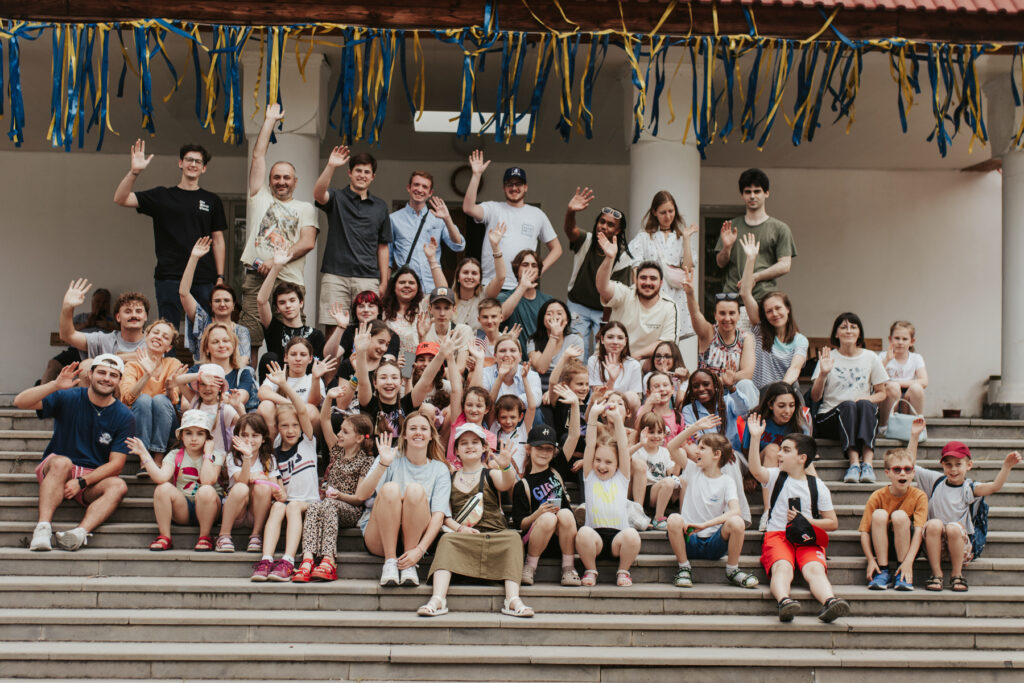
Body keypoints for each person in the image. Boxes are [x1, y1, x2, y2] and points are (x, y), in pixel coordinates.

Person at [18, 356, 133, 552]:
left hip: (89, 479)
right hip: (57, 469)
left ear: (119, 380)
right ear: (91, 374)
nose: (107, 378)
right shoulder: (69, 397)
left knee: (119, 485)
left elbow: (116, 465)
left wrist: (82, 482)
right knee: (62, 463)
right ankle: (43, 529)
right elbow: (21, 402)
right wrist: (54, 385)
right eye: (102, 372)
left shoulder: (124, 415)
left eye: (113, 375)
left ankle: (79, 533)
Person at [418, 426, 533, 618]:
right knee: (447, 541)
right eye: (464, 443)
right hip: (464, 535)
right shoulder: (450, 476)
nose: (469, 446)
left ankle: (513, 599)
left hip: (495, 534)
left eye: (474, 442)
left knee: (513, 540)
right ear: (456, 450)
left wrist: (505, 466)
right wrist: (460, 529)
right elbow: (445, 514)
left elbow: (506, 483)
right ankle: (438, 598)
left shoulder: (490, 473)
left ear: (484, 448)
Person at [113, 140, 226, 328]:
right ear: (180, 163)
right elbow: (120, 198)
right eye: (189, 160)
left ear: (204, 168)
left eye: (198, 161)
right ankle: (168, 359)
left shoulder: (211, 200)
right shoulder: (162, 196)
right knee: (167, 329)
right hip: (169, 275)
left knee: (205, 330)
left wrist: (220, 277)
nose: (193, 164)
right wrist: (135, 172)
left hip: (204, 276)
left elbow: (218, 241)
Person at [747, 419, 850, 623]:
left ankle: (830, 601)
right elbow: (756, 470)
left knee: (815, 569)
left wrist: (807, 520)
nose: (779, 454)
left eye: (786, 450)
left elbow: (832, 523)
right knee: (782, 566)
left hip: (807, 537)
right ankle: (784, 601)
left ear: (802, 458)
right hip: (778, 535)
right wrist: (755, 438)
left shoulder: (817, 485)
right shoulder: (776, 476)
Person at [240, 104, 320, 365]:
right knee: (250, 340)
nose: (281, 181)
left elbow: (308, 242)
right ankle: (249, 390)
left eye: (287, 177)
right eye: (276, 177)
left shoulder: (304, 208)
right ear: (270, 180)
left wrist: (275, 262)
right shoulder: (259, 198)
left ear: (295, 181)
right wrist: (269, 121)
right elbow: (258, 157)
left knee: (296, 343)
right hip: (255, 277)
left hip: (290, 281)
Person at [909, 420, 1021, 592]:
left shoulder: (969, 488)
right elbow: (909, 465)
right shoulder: (935, 481)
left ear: (969, 465)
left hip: (962, 548)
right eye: (948, 464)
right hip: (934, 545)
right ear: (942, 465)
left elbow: (994, 487)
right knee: (933, 524)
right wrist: (914, 436)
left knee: (953, 528)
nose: (953, 469)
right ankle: (936, 574)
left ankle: (957, 575)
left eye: (958, 464)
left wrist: (1006, 466)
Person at [356, 413, 451, 587]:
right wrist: (383, 464)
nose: (418, 433)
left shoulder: (440, 469)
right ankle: (390, 562)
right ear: (404, 435)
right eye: (413, 428)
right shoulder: (390, 457)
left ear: (431, 435)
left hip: (417, 540)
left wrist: (419, 550)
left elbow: (438, 517)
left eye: (424, 429)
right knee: (391, 489)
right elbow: (361, 495)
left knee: (415, 491)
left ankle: (409, 566)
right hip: (380, 538)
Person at [250, 364, 322, 581]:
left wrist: (283, 385)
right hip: (290, 501)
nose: (291, 430)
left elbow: (302, 410)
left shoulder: (308, 442)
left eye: (294, 426)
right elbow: (277, 484)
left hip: (310, 502)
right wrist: (278, 492)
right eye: (285, 426)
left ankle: (288, 561)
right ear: (278, 429)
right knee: (279, 506)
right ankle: (266, 559)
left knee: (291, 508)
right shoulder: (273, 455)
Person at [666, 432, 758, 589]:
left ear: (716, 454)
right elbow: (671, 446)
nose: (697, 451)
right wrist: (697, 426)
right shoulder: (692, 469)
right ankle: (684, 568)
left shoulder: (727, 481)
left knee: (737, 522)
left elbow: (736, 511)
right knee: (674, 519)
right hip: (690, 539)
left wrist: (705, 525)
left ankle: (732, 570)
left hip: (715, 544)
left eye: (702, 448)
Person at [315, 146, 391, 335]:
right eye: (358, 170)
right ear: (350, 173)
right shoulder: (337, 197)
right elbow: (318, 194)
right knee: (334, 330)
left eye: (367, 172)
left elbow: (383, 247)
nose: (362, 175)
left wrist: (383, 281)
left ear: (373, 176)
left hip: (367, 277)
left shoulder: (380, 207)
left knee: (369, 331)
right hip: (335, 275)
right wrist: (331, 165)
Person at [293, 411, 375, 582]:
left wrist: (340, 496)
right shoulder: (337, 452)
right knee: (314, 506)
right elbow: (324, 420)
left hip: (350, 509)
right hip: (328, 504)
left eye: (345, 432)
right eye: (340, 430)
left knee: (329, 504)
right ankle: (308, 558)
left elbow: (359, 498)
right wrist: (329, 397)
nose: (339, 434)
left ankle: (329, 559)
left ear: (359, 438)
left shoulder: (366, 460)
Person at [462, 150, 562, 291]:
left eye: (518, 184)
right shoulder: (493, 208)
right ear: (504, 188)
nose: (514, 188)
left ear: (525, 187)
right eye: (510, 184)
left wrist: (538, 272)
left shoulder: (537, 214)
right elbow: (468, 208)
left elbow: (557, 249)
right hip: (491, 284)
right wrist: (476, 175)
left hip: (522, 286)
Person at [128, 409, 224, 552]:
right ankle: (165, 537)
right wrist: (144, 454)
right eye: (189, 433)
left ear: (207, 437)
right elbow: (160, 477)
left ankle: (205, 536)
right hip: (183, 509)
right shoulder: (174, 455)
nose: (194, 438)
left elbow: (207, 480)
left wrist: (208, 454)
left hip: (209, 509)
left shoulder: (215, 455)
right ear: (181, 436)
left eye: (200, 433)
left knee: (206, 490)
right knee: (162, 488)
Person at [811, 313, 889, 484]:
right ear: (836, 334)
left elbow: (882, 393)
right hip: (830, 418)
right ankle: (854, 464)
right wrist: (823, 374)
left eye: (853, 327)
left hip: (860, 415)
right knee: (847, 406)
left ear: (859, 333)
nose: (849, 331)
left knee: (865, 404)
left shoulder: (870, 357)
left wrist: (866, 398)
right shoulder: (828, 357)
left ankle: (867, 464)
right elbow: (815, 397)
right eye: (843, 327)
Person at [715, 168, 797, 332]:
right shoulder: (732, 226)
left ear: (766, 193)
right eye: (747, 192)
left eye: (757, 191)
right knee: (732, 354)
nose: (752, 196)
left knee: (763, 352)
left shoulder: (780, 228)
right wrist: (727, 247)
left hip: (764, 301)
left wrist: (755, 277)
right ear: (742, 195)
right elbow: (720, 263)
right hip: (732, 302)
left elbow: (785, 265)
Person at [576, 401, 642, 587]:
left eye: (608, 462)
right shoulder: (590, 476)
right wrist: (593, 416)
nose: (602, 466)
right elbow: (589, 445)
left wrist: (618, 420)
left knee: (633, 535)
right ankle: (590, 569)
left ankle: (623, 571)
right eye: (598, 460)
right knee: (582, 533)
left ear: (617, 464)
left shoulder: (622, 477)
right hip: (594, 539)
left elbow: (622, 447)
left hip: (617, 541)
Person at [563, 187, 632, 357]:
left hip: (603, 312)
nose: (604, 226)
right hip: (577, 305)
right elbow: (569, 230)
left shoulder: (623, 257)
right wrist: (570, 211)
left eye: (610, 225)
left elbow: (612, 295)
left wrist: (605, 324)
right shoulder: (586, 240)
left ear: (617, 231)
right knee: (576, 353)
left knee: (600, 353)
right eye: (602, 221)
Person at [512, 420, 582, 587]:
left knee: (565, 513)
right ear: (528, 449)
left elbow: (574, 436)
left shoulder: (557, 469)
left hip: (562, 539)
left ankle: (568, 567)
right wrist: (538, 513)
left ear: (554, 452)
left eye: (548, 449)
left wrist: (574, 404)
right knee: (548, 518)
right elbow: (520, 524)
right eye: (539, 448)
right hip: (537, 538)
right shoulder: (523, 485)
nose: (544, 453)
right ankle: (530, 566)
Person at [737, 234, 807, 390]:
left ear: (787, 309)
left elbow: (795, 368)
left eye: (778, 308)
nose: (774, 314)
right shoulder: (760, 330)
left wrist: (779, 390)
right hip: (759, 395)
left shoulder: (800, 340)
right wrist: (751, 259)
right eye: (769, 311)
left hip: (784, 394)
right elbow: (745, 293)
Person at [629, 191, 699, 343]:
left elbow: (688, 268)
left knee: (670, 347)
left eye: (671, 211)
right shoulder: (644, 237)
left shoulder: (680, 237)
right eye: (663, 212)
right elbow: (635, 267)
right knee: (648, 343)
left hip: (675, 298)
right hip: (650, 297)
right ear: (654, 212)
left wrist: (686, 239)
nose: (668, 216)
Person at [743, 382, 814, 531]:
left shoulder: (799, 422)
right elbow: (746, 451)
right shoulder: (757, 419)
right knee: (773, 449)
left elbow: (806, 458)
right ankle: (768, 512)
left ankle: (816, 503)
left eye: (791, 405)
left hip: (790, 467)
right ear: (770, 404)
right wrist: (749, 475)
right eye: (781, 406)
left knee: (803, 457)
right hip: (763, 466)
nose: (787, 411)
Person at [595, 234, 677, 362]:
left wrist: (633, 357)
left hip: (643, 365)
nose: (647, 283)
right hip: (609, 360)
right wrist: (609, 258)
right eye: (643, 278)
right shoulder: (625, 294)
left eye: (653, 279)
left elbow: (666, 343)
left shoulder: (669, 306)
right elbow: (602, 287)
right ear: (636, 280)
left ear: (661, 283)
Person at [859, 448, 927, 591]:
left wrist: (909, 561)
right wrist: (871, 560)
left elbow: (919, 530)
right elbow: (864, 531)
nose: (903, 473)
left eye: (907, 469)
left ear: (913, 473)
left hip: (907, 548)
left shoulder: (919, 496)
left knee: (899, 516)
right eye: (897, 469)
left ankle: (902, 572)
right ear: (887, 473)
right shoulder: (877, 496)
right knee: (879, 514)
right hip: (882, 546)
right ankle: (883, 570)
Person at [118, 320, 183, 468]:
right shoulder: (132, 365)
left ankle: (158, 456)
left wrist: (168, 388)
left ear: (169, 347)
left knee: (160, 399)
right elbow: (127, 399)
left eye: (165, 337)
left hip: (167, 424)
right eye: (155, 332)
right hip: (138, 422)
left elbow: (173, 400)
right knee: (143, 399)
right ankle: (144, 455)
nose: (159, 337)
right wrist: (147, 375)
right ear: (146, 336)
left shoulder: (173, 363)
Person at [256, 246, 327, 381]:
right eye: (282, 303)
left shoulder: (316, 334)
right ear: (277, 308)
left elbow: (320, 369)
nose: (288, 305)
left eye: (292, 300)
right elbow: (261, 301)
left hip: (306, 389)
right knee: (269, 357)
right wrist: (277, 267)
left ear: (301, 303)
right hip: (277, 386)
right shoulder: (274, 328)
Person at [179, 236, 251, 363]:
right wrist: (194, 258)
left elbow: (244, 361)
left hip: (232, 378)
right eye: (217, 301)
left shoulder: (241, 331)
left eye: (227, 300)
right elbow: (184, 293)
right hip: (203, 376)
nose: (222, 304)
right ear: (211, 305)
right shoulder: (202, 321)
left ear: (233, 305)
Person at [218, 413, 283, 552]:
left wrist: (277, 491)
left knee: (264, 488)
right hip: (236, 514)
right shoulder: (232, 457)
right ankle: (224, 535)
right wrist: (247, 457)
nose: (249, 440)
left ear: (263, 438)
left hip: (256, 514)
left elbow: (274, 487)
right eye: (245, 435)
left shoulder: (269, 459)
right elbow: (241, 480)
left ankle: (256, 535)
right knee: (241, 487)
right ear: (237, 437)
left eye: (255, 435)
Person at [390, 171, 465, 290]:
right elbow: (388, 258)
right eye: (416, 185)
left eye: (424, 187)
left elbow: (458, 245)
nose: (419, 189)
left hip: (433, 287)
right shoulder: (393, 219)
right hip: (407, 288)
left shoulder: (438, 218)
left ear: (430, 193)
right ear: (409, 188)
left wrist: (447, 219)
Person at [683, 269, 755, 381]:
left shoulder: (745, 338)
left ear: (739, 315)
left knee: (747, 385)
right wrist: (690, 293)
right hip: (708, 391)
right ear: (715, 315)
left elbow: (747, 373)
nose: (727, 318)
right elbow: (695, 314)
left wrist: (724, 380)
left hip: (733, 390)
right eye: (722, 313)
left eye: (732, 313)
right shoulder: (708, 333)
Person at [59, 280, 149, 362]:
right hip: (107, 380)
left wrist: (108, 359)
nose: (134, 315)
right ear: (118, 317)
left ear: (145, 316)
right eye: (128, 311)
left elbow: (157, 358)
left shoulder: (154, 340)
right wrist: (67, 307)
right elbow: (68, 335)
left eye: (138, 311)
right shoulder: (103, 340)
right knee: (86, 365)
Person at [41, 288, 114, 384]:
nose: (101, 305)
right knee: (53, 365)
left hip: (103, 352)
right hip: (76, 351)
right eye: (98, 301)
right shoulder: (81, 317)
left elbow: (123, 335)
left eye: (104, 302)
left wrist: (108, 326)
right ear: (92, 303)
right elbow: (66, 331)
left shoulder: (114, 319)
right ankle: (40, 397)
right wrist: (86, 324)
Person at [256, 348, 332, 437]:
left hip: (305, 427)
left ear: (310, 359)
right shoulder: (277, 375)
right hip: (278, 424)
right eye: (293, 354)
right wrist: (293, 404)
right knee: (265, 405)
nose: (298, 359)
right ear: (285, 358)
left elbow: (314, 405)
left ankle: (309, 448)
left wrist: (316, 379)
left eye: (303, 355)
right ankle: (271, 448)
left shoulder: (312, 378)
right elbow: (262, 393)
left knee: (311, 409)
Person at [452, 225, 509, 330]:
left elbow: (501, 277)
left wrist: (495, 247)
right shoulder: (449, 298)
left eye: (474, 273)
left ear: (479, 279)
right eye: (465, 272)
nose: (469, 276)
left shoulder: (484, 295)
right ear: (458, 277)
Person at [877, 320, 928, 434]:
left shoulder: (916, 358)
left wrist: (896, 383)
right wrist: (887, 360)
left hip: (907, 397)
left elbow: (924, 381)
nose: (900, 342)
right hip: (889, 396)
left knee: (917, 388)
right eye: (897, 338)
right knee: (893, 388)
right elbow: (874, 378)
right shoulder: (883, 356)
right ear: (890, 340)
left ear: (912, 342)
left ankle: (916, 424)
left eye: (905, 339)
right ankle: (884, 425)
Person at [630, 412, 678, 528]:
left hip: (662, 491)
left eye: (659, 432)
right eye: (651, 432)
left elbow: (672, 473)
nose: (656, 436)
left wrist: (678, 456)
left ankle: (683, 516)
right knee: (668, 482)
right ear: (643, 433)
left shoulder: (664, 452)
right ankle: (658, 518)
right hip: (645, 492)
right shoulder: (639, 451)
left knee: (679, 481)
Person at [526, 299, 584, 393]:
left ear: (567, 319)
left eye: (559, 313)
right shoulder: (533, 340)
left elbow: (573, 374)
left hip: (564, 390)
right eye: (549, 314)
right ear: (542, 319)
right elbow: (541, 368)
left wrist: (552, 392)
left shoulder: (576, 340)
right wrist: (554, 336)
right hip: (538, 390)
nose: (555, 317)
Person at [325, 290, 400, 360]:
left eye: (371, 306)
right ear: (355, 311)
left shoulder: (390, 335)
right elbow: (329, 356)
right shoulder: (350, 331)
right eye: (361, 306)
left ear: (379, 311)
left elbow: (387, 363)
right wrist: (340, 327)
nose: (366, 310)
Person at [587, 321, 642, 410]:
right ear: (602, 339)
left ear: (625, 341)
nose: (615, 342)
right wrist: (611, 380)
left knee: (632, 397)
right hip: (600, 408)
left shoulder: (634, 365)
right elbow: (599, 396)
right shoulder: (594, 361)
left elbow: (634, 399)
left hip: (624, 410)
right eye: (610, 337)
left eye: (620, 338)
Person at [381, 266, 428, 359]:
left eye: (411, 283)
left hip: (417, 359)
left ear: (418, 287)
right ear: (394, 287)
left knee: (407, 372)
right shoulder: (383, 310)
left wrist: (432, 260)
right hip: (389, 360)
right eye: (402, 282)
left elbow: (443, 288)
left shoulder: (424, 306)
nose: (407, 285)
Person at [643, 341, 689, 406]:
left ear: (675, 358)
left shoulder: (682, 377)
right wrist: (663, 374)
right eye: (658, 356)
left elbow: (679, 404)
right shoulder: (649, 376)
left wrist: (680, 381)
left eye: (667, 356)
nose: (662, 360)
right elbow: (652, 402)